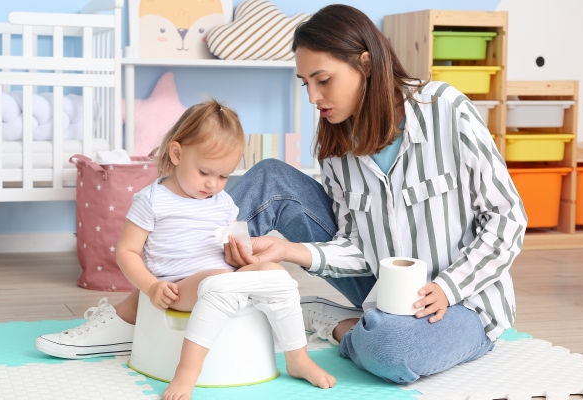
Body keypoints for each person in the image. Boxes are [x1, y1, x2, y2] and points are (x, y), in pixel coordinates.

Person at [223, 4, 527, 385]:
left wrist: (450, 287)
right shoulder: (336, 147)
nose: (313, 97)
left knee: (390, 349)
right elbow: (354, 245)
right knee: (271, 178)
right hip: (381, 286)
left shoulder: (447, 111)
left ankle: (336, 322)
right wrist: (287, 250)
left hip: (462, 303)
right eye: (305, 83)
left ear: (365, 64)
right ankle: (190, 282)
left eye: (323, 80)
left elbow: (507, 216)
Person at [36, 99, 335, 400]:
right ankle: (187, 373)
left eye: (223, 176)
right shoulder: (153, 200)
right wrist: (151, 287)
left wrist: (240, 255)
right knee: (220, 282)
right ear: (177, 153)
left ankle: (298, 359)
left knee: (278, 275)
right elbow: (126, 252)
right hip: (181, 287)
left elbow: (232, 252)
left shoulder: (223, 204)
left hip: (224, 279)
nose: (214, 184)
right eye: (205, 172)